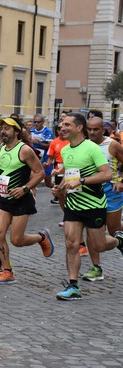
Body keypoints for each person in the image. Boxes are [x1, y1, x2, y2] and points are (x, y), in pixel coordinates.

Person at [53, 113, 123, 300]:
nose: (62, 127)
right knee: (71, 243)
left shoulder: (92, 148)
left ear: (78, 128)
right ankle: (73, 286)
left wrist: (82, 181)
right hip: (74, 204)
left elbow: (106, 174)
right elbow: (70, 175)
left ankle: (118, 240)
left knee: (98, 244)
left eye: (67, 124)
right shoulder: (66, 150)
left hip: (94, 204)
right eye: (61, 124)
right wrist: (59, 189)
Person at [0, 117, 54, 284]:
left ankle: (41, 237)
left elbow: (40, 173)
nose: (3, 131)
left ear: (17, 131)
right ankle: (7, 271)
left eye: (7, 128)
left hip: (21, 200)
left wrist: (25, 188)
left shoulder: (24, 150)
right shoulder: (0, 149)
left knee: (17, 240)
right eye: (1, 128)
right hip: (4, 198)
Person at [79, 117, 123, 282]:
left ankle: (120, 240)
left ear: (103, 129)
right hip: (90, 193)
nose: (91, 133)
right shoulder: (82, 145)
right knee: (92, 230)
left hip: (111, 192)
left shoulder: (112, 145)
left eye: (95, 129)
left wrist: (121, 182)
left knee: (113, 230)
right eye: (89, 129)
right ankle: (96, 267)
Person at [30, 114, 54, 190]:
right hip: (35, 159)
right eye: (35, 122)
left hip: (46, 159)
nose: (36, 124)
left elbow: (50, 145)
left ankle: (58, 189)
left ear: (43, 122)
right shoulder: (32, 130)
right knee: (32, 182)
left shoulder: (47, 131)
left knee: (48, 183)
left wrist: (38, 143)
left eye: (38, 122)